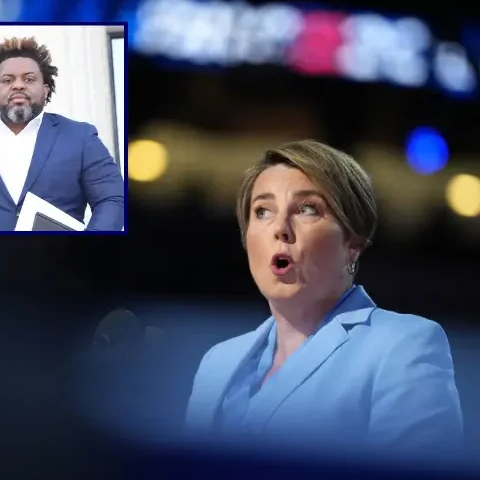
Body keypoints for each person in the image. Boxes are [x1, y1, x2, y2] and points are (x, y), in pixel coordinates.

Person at [184, 140, 462, 460]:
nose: (280, 229)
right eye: (263, 211)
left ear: (353, 244)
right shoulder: (217, 362)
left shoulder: (405, 345)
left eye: (307, 209)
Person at [0, 37, 124, 232]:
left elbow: (113, 199)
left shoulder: (81, 137)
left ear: (45, 90)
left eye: (29, 79)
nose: (18, 85)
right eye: (8, 80)